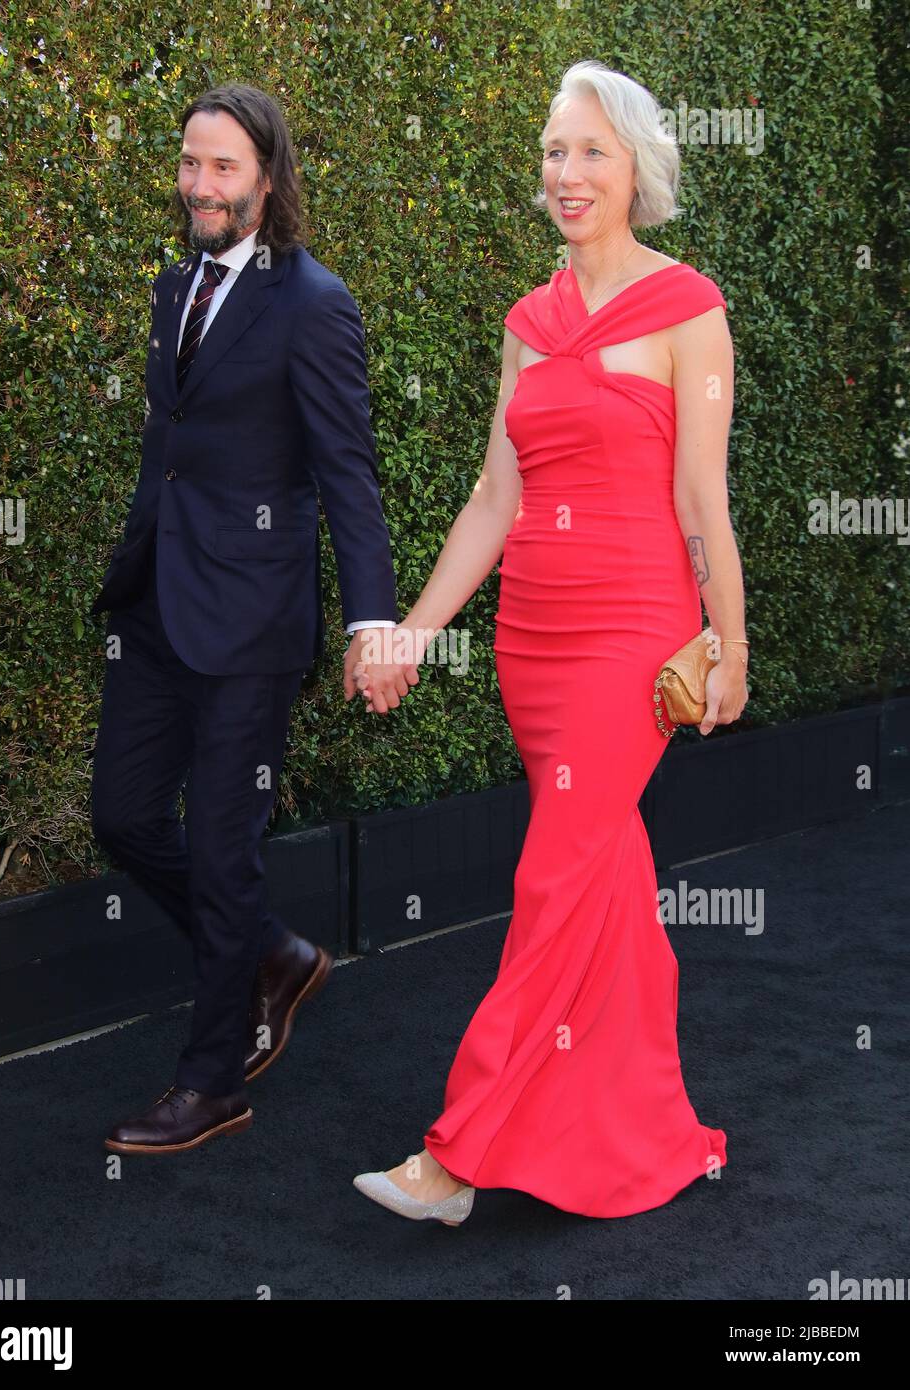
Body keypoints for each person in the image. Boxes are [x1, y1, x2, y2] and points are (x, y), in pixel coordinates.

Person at [351, 59, 747, 1224]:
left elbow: (701, 507)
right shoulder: (530, 321)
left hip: (631, 637)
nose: (565, 175)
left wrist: (728, 643)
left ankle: (455, 1157)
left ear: (635, 170)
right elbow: (492, 497)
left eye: (589, 154)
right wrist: (415, 632)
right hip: (532, 634)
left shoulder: (687, 308)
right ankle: (640, 1133)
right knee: (603, 880)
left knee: (549, 874)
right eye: (551, 154)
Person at [90, 84, 401, 1154]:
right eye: (190, 163)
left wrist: (373, 621)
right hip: (156, 608)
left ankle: (210, 1079)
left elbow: (346, 475)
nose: (200, 186)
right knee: (122, 814)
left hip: (251, 623)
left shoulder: (312, 302)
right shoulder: (174, 287)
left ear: (267, 177)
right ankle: (268, 951)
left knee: (222, 854)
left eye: (223, 168)